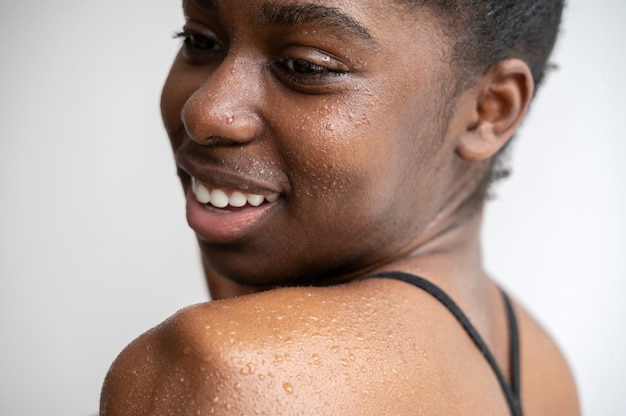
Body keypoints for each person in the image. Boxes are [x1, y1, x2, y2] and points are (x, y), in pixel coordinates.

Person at [100, 0, 580, 414]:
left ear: (489, 109)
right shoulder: (539, 365)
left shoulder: (232, 374)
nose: (205, 112)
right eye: (199, 40)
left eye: (306, 66)